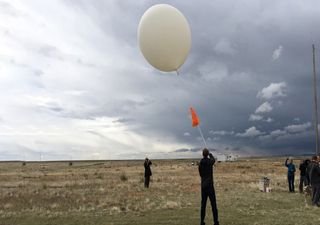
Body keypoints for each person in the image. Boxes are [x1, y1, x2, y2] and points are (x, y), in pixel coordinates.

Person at [198, 148, 219, 225]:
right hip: (210, 186)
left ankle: (202, 222)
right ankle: (216, 222)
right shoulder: (210, 161)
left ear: (202, 154)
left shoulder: (201, 162)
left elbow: (200, 174)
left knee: (203, 205)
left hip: (203, 186)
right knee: (213, 204)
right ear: (207, 154)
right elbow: (213, 160)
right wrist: (211, 155)